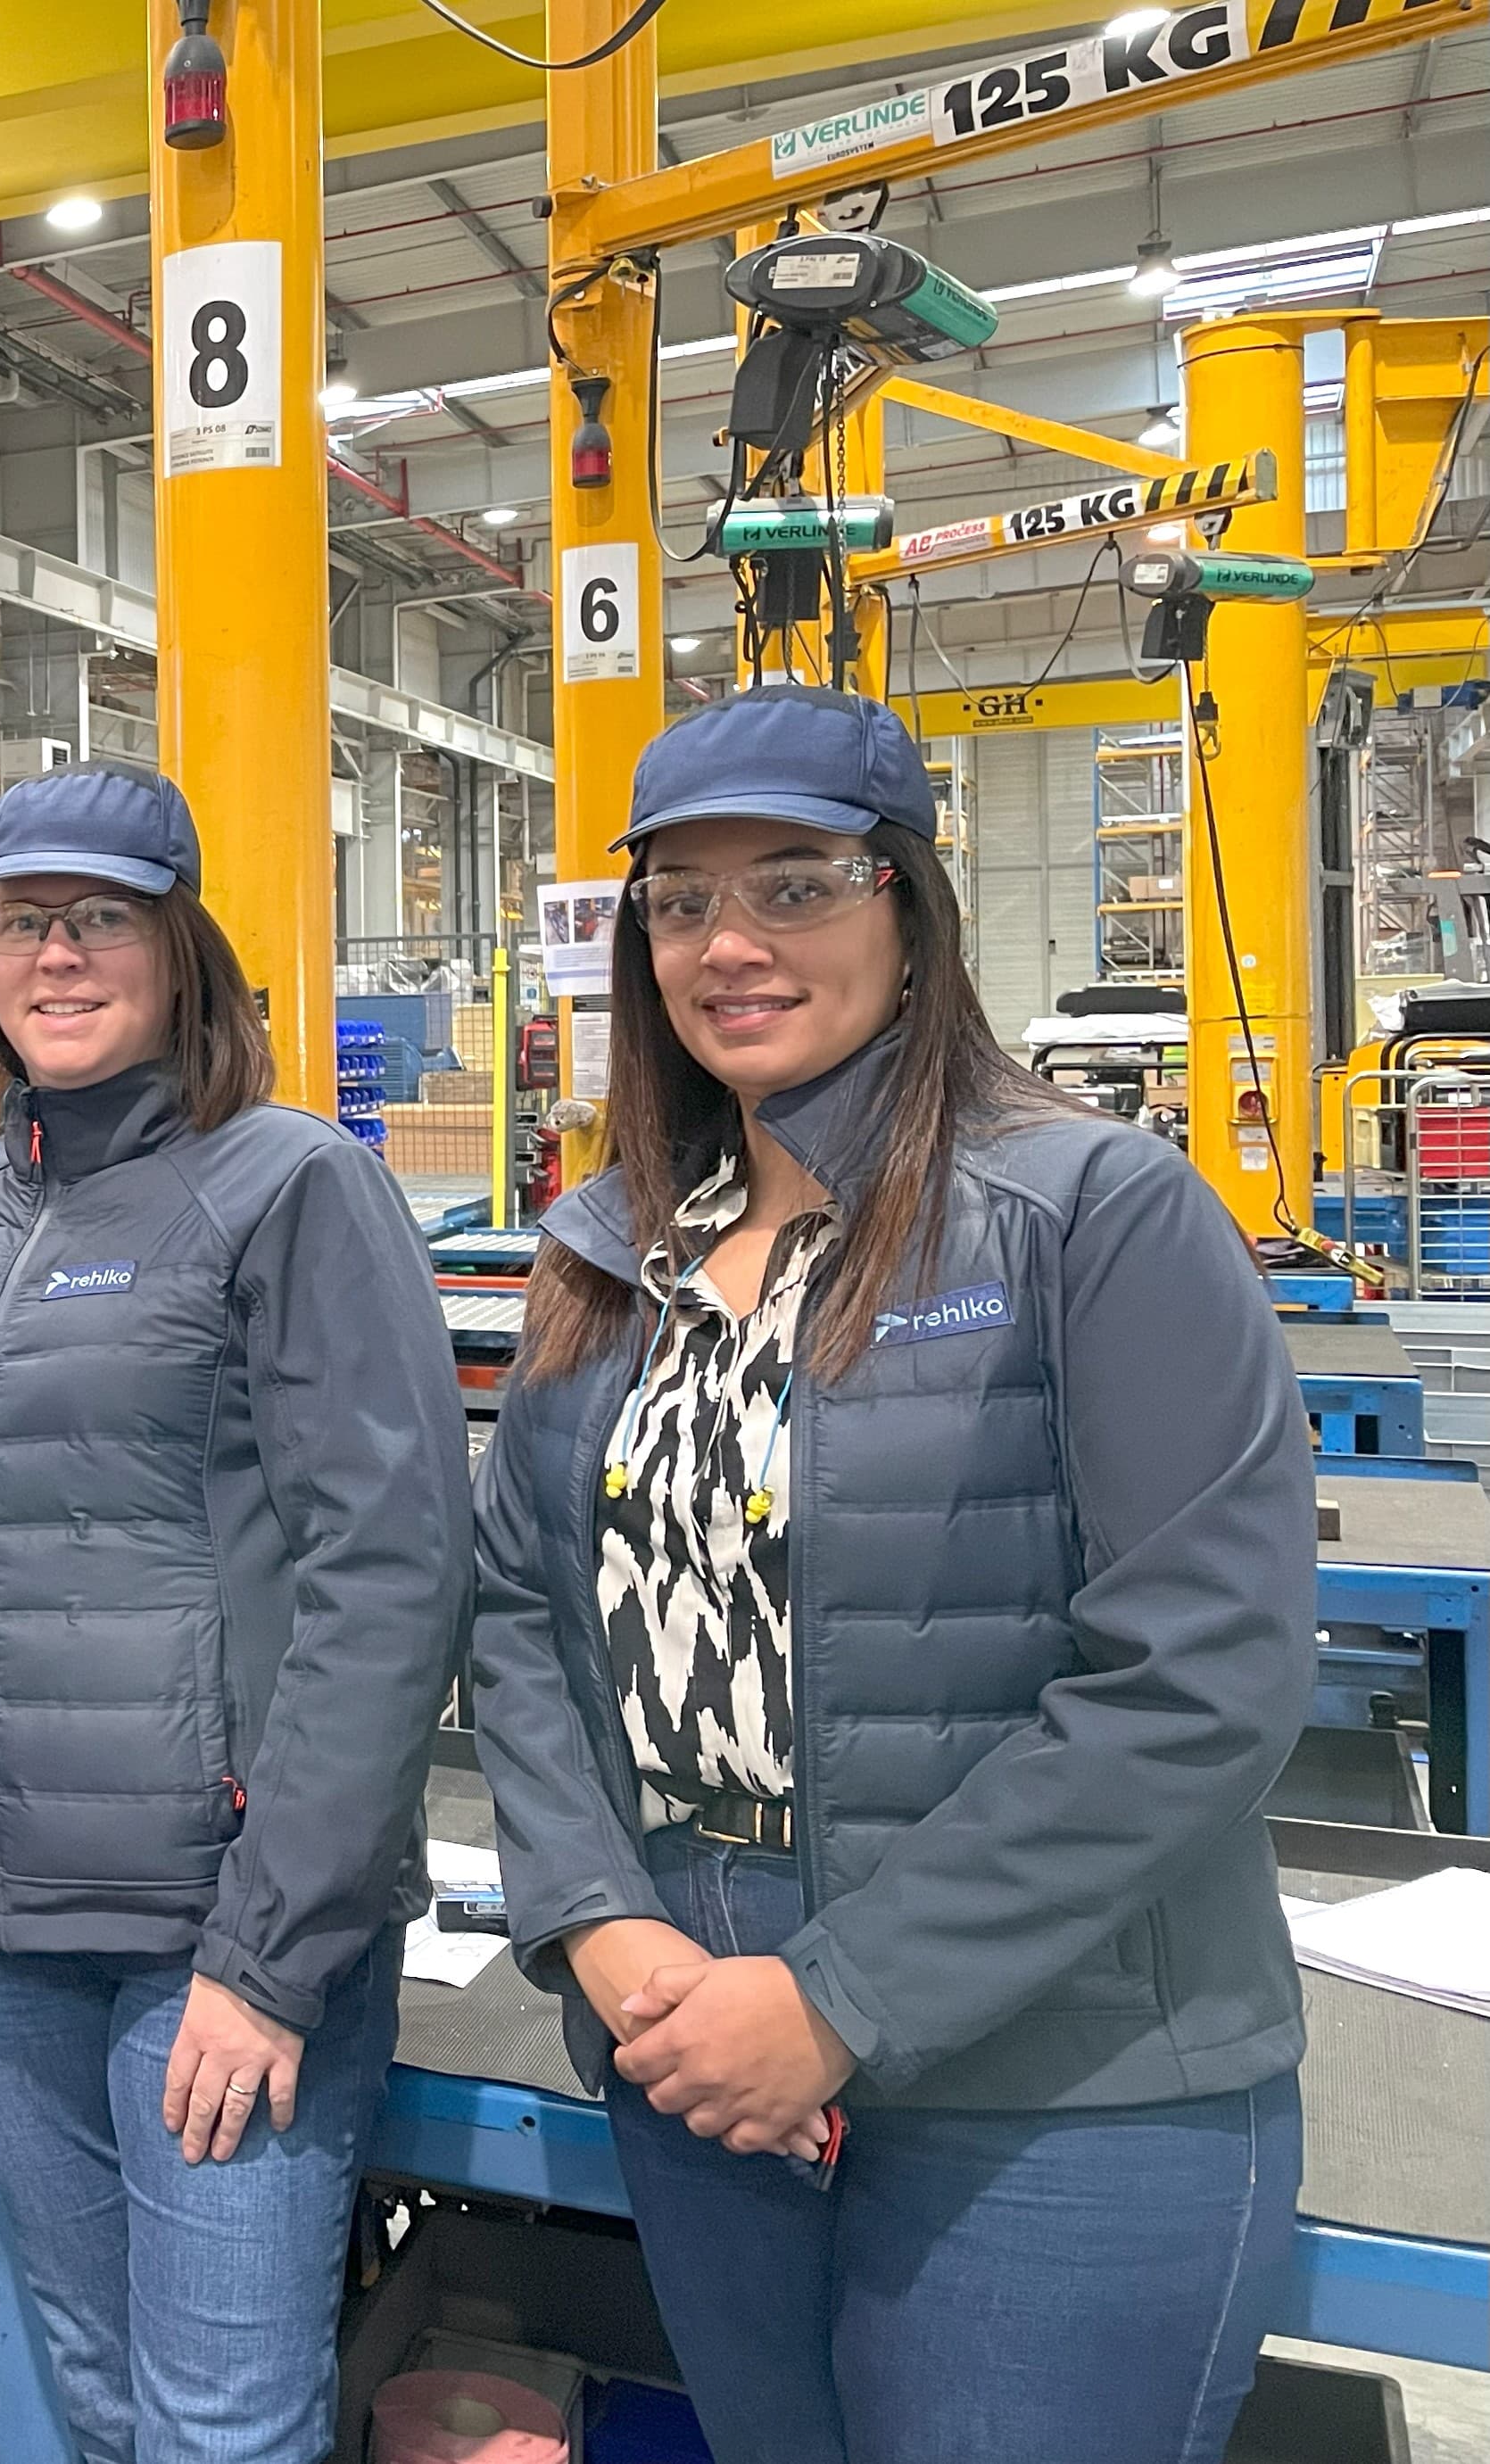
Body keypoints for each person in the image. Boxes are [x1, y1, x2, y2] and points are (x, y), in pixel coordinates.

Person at [468, 685, 1314, 2464]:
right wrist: (604, 1931)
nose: (729, 943)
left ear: (906, 914)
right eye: (680, 900)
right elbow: (521, 1616)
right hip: (699, 2060)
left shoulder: (1087, 1215)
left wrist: (838, 1999)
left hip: (1053, 2098)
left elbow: (1197, 1678)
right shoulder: (619, 1244)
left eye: (794, 885)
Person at [0, 763, 470, 2464]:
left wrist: (270, 1958)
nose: (52, 957)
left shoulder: (287, 1187)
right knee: (80, 2383)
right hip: (5, 1928)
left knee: (217, 2418)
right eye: (16, 920)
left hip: (207, 1942)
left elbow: (392, 1576)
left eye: (98, 920)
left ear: (179, 950)